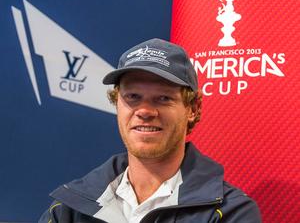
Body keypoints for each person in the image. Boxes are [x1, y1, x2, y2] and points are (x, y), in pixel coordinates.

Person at [39, 38, 261, 223]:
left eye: (163, 98)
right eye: (132, 97)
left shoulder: (231, 213)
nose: (145, 111)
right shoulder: (70, 207)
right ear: (117, 103)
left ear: (192, 109)